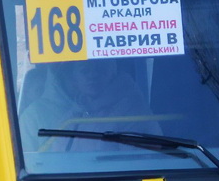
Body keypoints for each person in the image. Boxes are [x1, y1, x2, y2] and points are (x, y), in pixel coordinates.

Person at [17, 58, 159, 152]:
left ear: (112, 71)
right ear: (73, 78)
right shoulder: (78, 112)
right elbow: (55, 158)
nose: (93, 75)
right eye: (84, 70)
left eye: (100, 68)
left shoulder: (132, 109)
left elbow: (140, 163)